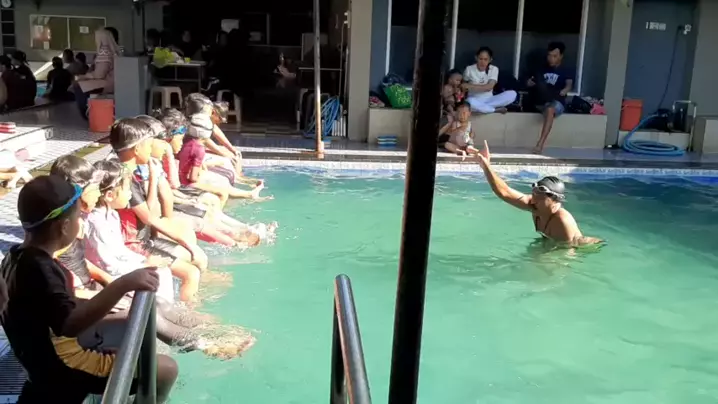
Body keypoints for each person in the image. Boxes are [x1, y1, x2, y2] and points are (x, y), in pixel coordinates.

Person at [0, 175, 178, 403]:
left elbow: (45, 311)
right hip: (63, 368)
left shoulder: (15, 258)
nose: (81, 223)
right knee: (166, 368)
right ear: (65, 227)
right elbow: (69, 324)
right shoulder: (43, 269)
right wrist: (123, 284)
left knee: (124, 337)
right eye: (78, 218)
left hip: (38, 363)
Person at [475, 141, 601, 246]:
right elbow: (504, 192)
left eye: (539, 199)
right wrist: (486, 166)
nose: (533, 201)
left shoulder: (562, 222)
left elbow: (567, 255)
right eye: (533, 195)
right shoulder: (535, 206)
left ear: (554, 201)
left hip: (574, 247)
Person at [527, 41, 574, 154]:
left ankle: (540, 144)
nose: (551, 59)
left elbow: (569, 85)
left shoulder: (566, 70)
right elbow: (529, 82)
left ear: (561, 56)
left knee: (550, 109)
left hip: (556, 102)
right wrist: (530, 83)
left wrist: (564, 90)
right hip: (542, 100)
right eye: (549, 55)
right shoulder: (541, 68)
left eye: (555, 56)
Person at [74, 28, 119, 118]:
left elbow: (99, 75)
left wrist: (83, 77)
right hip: (114, 81)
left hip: (107, 83)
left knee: (78, 85)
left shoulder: (104, 52)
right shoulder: (115, 50)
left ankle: (87, 114)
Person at [463, 47, 516, 114]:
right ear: (476, 58)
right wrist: (467, 86)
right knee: (469, 101)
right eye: (480, 59)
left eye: (485, 59)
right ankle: (494, 110)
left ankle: (484, 108)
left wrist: (470, 86)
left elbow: (489, 87)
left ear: (490, 60)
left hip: (490, 100)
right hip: (474, 100)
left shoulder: (494, 69)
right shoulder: (469, 69)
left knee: (512, 94)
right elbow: (463, 86)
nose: (482, 62)